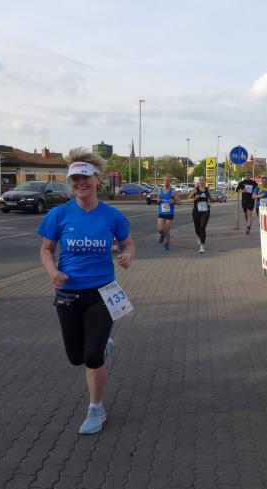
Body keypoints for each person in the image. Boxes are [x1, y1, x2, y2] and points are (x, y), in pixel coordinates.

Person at [38, 148, 136, 435]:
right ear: (70, 183)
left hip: (102, 293)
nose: (80, 183)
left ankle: (96, 408)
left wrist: (127, 256)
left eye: (86, 178)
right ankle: (103, 345)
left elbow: (128, 243)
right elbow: (46, 249)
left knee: (92, 358)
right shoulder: (59, 214)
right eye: (75, 179)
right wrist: (52, 271)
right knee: (76, 357)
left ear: (97, 179)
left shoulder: (112, 215)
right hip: (68, 295)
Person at [157, 175, 179, 250]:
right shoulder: (160, 190)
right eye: (165, 180)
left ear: (170, 182)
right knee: (160, 229)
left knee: (167, 229)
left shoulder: (173, 191)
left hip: (169, 213)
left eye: (168, 180)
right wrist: (158, 201)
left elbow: (179, 202)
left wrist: (173, 201)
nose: (166, 182)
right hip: (162, 212)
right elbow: (158, 201)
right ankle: (162, 235)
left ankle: (166, 243)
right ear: (163, 181)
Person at [189, 176, 211, 253]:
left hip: (205, 210)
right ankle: (202, 237)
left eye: (203, 180)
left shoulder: (207, 190)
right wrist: (194, 198)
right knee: (197, 228)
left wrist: (215, 200)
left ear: (205, 181)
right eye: (200, 180)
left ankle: (202, 246)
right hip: (196, 211)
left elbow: (211, 199)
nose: (201, 182)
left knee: (202, 227)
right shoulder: (195, 189)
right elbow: (188, 198)